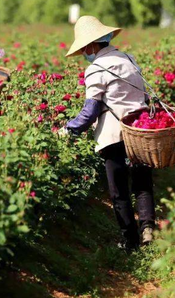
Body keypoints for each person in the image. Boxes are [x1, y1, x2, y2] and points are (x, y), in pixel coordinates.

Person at [62, 16, 153, 250]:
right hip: (140, 129)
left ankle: (130, 243)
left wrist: (67, 130)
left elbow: (90, 111)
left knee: (119, 190)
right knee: (142, 182)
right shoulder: (128, 59)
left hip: (114, 135)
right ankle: (147, 230)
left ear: (92, 45)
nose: (84, 52)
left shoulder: (96, 68)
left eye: (84, 48)